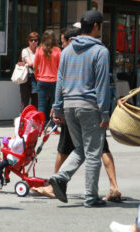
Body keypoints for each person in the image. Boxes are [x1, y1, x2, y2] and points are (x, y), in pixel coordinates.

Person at [32, 25, 124, 203]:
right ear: (96, 27)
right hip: (89, 106)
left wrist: (58, 107)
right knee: (94, 153)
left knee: (80, 149)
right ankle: (91, 197)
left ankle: (59, 178)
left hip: (69, 106)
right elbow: (102, 84)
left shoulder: (66, 51)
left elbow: (61, 80)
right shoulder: (100, 51)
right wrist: (105, 113)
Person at [0, 117, 34, 191]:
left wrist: (12, 139)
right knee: (7, 163)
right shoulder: (27, 136)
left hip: (16, 159)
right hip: (25, 157)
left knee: (0, 165)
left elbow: (11, 145)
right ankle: (5, 177)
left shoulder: (20, 138)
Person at [34, 30, 61, 133]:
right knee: (54, 104)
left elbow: (35, 66)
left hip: (42, 79)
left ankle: (40, 128)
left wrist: (37, 77)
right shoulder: (58, 50)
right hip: (55, 81)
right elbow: (60, 68)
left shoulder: (39, 50)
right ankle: (54, 128)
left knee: (41, 105)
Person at [18, 32, 39, 112]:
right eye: (31, 40)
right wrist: (39, 67)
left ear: (38, 41)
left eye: (35, 40)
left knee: (35, 101)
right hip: (26, 77)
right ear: (28, 41)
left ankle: (34, 122)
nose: (33, 42)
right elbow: (30, 63)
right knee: (24, 101)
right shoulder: (25, 51)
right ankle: (22, 122)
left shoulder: (39, 51)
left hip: (37, 78)